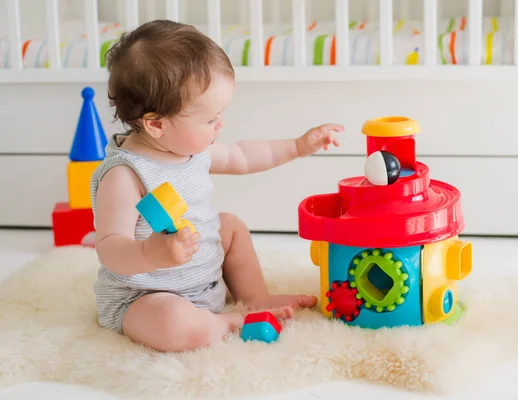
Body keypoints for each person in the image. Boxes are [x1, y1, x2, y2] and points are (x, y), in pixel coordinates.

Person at [90, 20, 343, 353]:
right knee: (172, 324)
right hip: (148, 295)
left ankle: (254, 298)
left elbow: (243, 156)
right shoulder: (126, 174)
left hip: (202, 276)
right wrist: (151, 253)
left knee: (230, 225)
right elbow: (109, 248)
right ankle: (224, 324)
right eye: (209, 119)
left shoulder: (191, 148)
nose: (220, 124)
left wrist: (297, 145)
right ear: (156, 125)